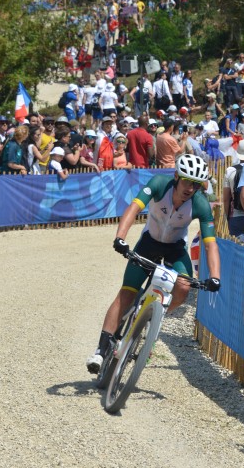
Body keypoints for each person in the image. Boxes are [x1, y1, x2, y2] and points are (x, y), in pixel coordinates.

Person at [86, 154, 221, 373]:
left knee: (184, 287)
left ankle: (153, 317)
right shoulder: (159, 184)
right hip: (149, 243)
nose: (190, 188)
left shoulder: (200, 204)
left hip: (175, 249)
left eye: (196, 184)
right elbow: (134, 208)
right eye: (187, 181)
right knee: (127, 294)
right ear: (177, 176)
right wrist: (121, 237)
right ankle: (101, 351)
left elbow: (210, 244)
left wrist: (215, 276)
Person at [223, 139, 244, 242]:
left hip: (236, 215)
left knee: (238, 249)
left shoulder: (230, 171)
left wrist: (227, 217)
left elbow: (226, 199)